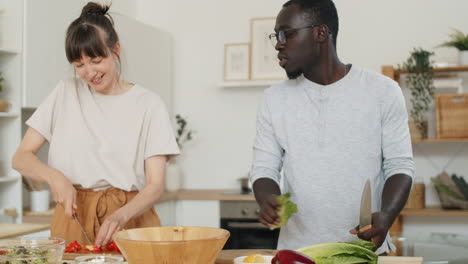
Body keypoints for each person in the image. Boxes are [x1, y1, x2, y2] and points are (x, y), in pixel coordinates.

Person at [249, 0, 414, 255]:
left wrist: (387, 215)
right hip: (296, 254)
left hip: (364, 251)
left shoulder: (382, 91)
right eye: (276, 36)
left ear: (320, 33)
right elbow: (264, 169)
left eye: (287, 33)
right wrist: (268, 198)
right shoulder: (274, 98)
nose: (278, 44)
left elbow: (399, 166)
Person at [12, 2, 179, 248]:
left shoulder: (149, 104)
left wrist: (121, 215)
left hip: (131, 219)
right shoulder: (64, 93)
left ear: (116, 50)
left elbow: (155, 186)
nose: (89, 72)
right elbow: (21, 158)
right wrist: (55, 178)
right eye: (79, 65)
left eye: (96, 60)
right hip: (74, 216)